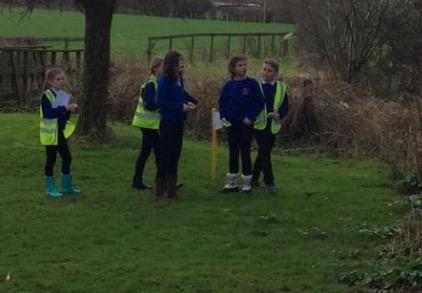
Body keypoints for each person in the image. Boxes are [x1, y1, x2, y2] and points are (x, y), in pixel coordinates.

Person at [219, 55, 264, 193]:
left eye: (245, 65)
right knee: (233, 151)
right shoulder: (229, 85)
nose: (243, 67)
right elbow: (223, 102)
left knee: (245, 152)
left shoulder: (252, 84)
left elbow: (259, 102)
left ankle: (247, 182)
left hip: (245, 124)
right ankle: (232, 182)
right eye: (240, 65)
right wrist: (223, 116)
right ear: (233, 68)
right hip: (232, 124)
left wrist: (250, 116)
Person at [155, 51, 196, 200]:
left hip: (179, 121)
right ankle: (160, 190)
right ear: (172, 64)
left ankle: (172, 190)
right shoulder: (165, 81)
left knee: (175, 155)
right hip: (168, 123)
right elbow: (160, 102)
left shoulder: (179, 80)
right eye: (179, 61)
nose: (182, 64)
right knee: (166, 155)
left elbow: (180, 97)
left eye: (183, 61)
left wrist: (188, 104)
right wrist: (180, 107)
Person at [40, 68, 80, 198]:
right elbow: (48, 114)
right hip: (50, 134)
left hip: (59, 132)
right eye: (58, 79)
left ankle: (66, 186)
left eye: (63, 78)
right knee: (51, 160)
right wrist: (64, 108)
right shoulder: (47, 95)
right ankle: (50, 188)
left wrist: (69, 110)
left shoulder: (62, 94)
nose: (62, 81)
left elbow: (63, 117)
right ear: (51, 82)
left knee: (67, 157)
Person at [252, 58, 289, 193]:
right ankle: (269, 183)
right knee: (265, 153)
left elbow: (285, 105)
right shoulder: (256, 85)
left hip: (273, 125)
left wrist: (279, 115)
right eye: (264, 70)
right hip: (258, 125)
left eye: (269, 71)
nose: (266, 73)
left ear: (276, 73)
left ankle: (253, 178)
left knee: (264, 152)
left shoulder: (281, 86)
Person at [132, 58, 164, 190]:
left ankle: (137, 181)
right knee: (158, 152)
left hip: (147, 123)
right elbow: (149, 105)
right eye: (163, 66)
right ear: (156, 68)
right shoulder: (151, 84)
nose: (165, 69)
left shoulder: (155, 82)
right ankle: (161, 180)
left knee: (145, 152)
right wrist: (163, 105)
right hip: (147, 123)